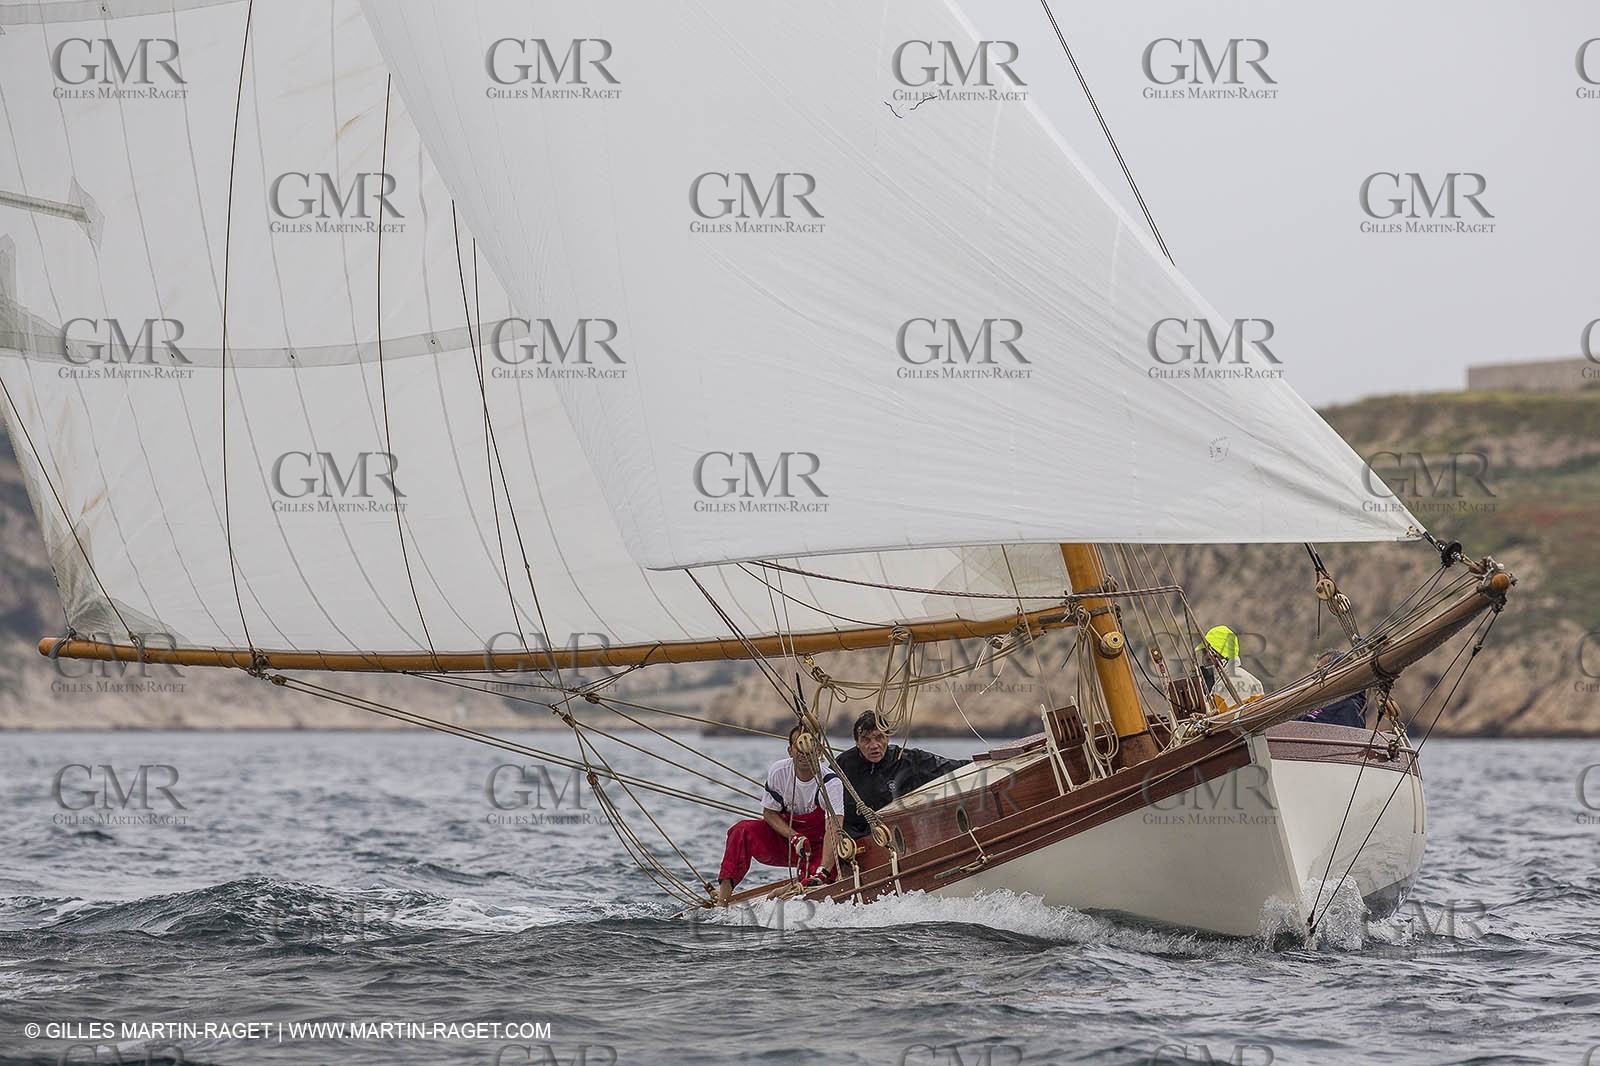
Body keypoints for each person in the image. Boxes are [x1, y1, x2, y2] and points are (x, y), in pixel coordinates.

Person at [716, 725, 843, 905]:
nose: (804, 752)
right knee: (741, 830)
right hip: (789, 840)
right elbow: (769, 813)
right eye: (799, 747)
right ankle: (722, 900)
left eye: (810, 746)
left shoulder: (830, 782)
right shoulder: (778, 771)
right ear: (790, 750)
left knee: (815, 885)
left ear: (820, 750)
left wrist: (824, 871)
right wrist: (794, 837)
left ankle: (782, 891)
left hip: (822, 845)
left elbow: (834, 827)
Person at [838, 711, 969, 840]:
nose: (874, 746)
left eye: (879, 738)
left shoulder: (906, 760)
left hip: (897, 836)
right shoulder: (843, 765)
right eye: (866, 740)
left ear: (887, 738)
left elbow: (947, 766)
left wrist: (980, 762)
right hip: (854, 842)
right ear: (857, 742)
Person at [1199, 625, 1264, 710]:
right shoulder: (1223, 681)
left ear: (1216, 653)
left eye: (1206, 652)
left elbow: (1234, 719)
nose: (1205, 657)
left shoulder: (1236, 680)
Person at [1299, 650, 1369, 728]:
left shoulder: (1349, 707)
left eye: (1319, 669)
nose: (1313, 675)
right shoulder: (1315, 701)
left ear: (1336, 672)